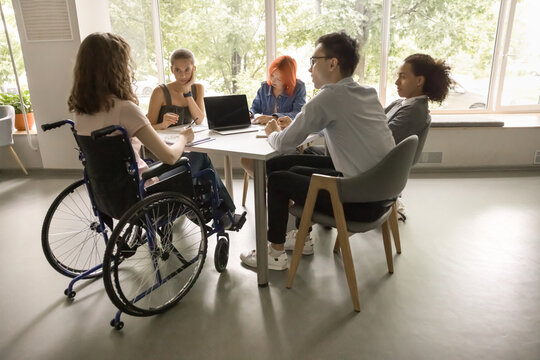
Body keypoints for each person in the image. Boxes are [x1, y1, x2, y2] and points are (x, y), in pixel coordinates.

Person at [240, 32, 395, 270]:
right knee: (281, 166)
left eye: (313, 61)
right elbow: (331, 128)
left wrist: (272, 131)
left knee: (279, 179)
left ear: (332, 63)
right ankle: (300, 236)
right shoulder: (366, 93)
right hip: (380, 192)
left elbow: (282, 144)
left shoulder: (328, 97)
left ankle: (275, 254)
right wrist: (296, 125)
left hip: (359, 200)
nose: (310, 68)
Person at [68, 32, 240, 227]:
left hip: (107, 194)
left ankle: (215, 213)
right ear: (117, 67)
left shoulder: (80, 112)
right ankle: (225, 215)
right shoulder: (125, 109)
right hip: (142, 191)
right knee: (199, 158)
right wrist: (183, 138)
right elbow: (169, 157)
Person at [386, 53, 451, 220]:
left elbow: (380, 138)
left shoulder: (414, 111)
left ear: (419, 81)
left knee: (318, 155)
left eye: (403, 77)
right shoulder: (402, 103)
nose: (396, 82)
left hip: (380, 171)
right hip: (379, 162)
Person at [241, 55, 306, 177]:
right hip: (262, 136)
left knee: (277, 161)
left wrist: (274, 117)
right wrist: (250, 113)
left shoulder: (299, 87)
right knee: (246, 160)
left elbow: (298, 113)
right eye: (272, 76)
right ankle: (269, 185)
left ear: (288, 79)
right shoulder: (265, 87)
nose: (273, 81)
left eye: (279, 79)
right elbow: (255, 108)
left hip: (284, 137)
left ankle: (273, 184)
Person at [147, 48, 205, 130]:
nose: (182, 76)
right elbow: (147, 128)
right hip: (163, 141)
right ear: (172, 69)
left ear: (193, 69)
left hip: (188, 139)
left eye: (187, 70)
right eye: (177, 70)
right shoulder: (160, 91)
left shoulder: (198, 88)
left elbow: (199, 121)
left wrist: (187, 93)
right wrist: (162, 125)